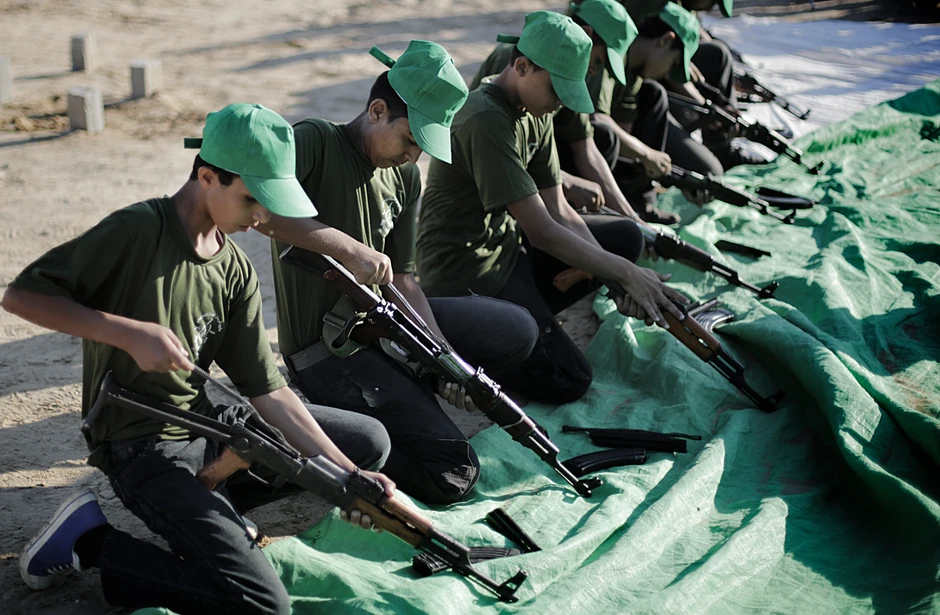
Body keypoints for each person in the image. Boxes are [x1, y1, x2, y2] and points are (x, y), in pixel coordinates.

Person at [3, 103, 396, 615]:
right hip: (141, 445)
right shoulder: (137, 232)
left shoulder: (233, 268)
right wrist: (125, 332)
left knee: (366, 445)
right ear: (207, 176)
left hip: (209, 427)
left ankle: (215, 514)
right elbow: (22, 297)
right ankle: (92, 542)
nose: (260, 219)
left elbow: (269, 391)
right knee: (261, 605)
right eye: (252, 199)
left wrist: (347, 479)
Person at [259, 41, 539, 505]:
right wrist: (349, 248)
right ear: (377, 109)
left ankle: (406, 389)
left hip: (381, 328)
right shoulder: (314, 141)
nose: (413, 157)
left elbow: (405, 280)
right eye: (410, 139)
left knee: (516, 329)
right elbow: (260, 213)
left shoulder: (406, 178)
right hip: (328, 351)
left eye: (422, 148)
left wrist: (445, 359)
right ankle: (296, 445)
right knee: (451, 473)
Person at [416, 11, 688, 406]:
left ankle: (524, 320)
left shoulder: (536, 109)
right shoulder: (485, 116)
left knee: (623, 237)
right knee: (568, 380)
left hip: (509, 253)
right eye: (556, 89)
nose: (561, 103)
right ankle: (462, 337)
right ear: (522, 67)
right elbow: (542, 229)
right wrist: (626, 273)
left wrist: (616, 277)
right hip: (465, 273)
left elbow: (560, 210)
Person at [470, 0, 644, 222]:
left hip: (525, 168)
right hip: (497, 177)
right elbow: (497, 158)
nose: (593, 71)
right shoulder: (516, 77)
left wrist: (631, 218)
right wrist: (566, 184)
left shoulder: (545, 100)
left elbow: (586, 148)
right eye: (599, 60)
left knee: (603, 138)